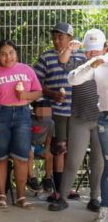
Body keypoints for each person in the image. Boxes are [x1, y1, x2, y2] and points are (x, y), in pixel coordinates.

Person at [0, 40, 43, 209]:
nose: (8, 57)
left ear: (16, 53)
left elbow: (38, 92)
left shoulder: (27, 70)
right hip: (0, 115)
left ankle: (21, 196)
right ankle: (1, 194)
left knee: (21, 158)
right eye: (3, 53)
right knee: (0, 157)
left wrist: (25, 96)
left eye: (11, 52)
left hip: (23, 115)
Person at [55, 29, 107, 218]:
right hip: (79, 119)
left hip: (101, 119)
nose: (92, 54)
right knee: (73, 160)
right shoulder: (79, 65)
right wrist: (69, 48)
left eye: (96, 50)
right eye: (89, 50)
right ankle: (62, 198)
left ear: (104, 48)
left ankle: (95, 198)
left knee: (99, 161)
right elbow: (63, 62)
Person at [34, 23, 85, 201]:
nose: (56, 41)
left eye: (60, 37)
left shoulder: (81, 56)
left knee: (73, 149)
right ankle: (58, 190)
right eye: (54, 37)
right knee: (59, 149)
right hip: (57, 111)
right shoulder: (46, 57)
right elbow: (35, 82)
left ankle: (67, 188)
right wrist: (52, 94)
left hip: (78, 110)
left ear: (70, 38)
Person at [28, 100, 54, 194]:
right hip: (27, 145)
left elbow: (49, 138)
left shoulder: (50, 123)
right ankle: (31, 178)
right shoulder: (29, 119)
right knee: (30, 154)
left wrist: (47, 149)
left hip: (39, 146)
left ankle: (47, 178)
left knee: (49, 156)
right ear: (34, 110)